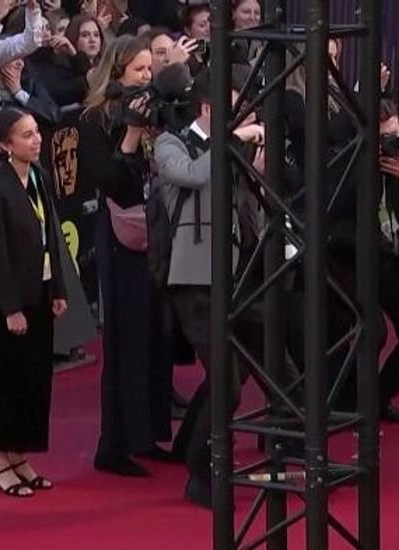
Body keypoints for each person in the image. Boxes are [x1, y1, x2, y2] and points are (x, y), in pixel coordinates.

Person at [154, 68, 267, 507]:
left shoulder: (231, 147)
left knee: (239, 370)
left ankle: (190, 445)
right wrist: (234, 140)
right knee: (227, 385)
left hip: (235, 274)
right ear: (207, 108)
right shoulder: (170, 143)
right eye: (232, 109)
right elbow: (195, 175)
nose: (241, 116)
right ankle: (201, 476)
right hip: (192, 280)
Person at [78, 35, 172, 477]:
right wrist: (132, 136)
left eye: (150, 70)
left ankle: (147, 432)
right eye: (138, 70)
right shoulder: (94, 119)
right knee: (125, 337)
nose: (146, 78)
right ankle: (113, 443)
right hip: (119, 235)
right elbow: (107, 181)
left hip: (154, 230)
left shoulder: (154, 111)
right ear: (116, 73)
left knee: (156, 336)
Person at [329, 100, 399, 423]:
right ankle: (350, 402)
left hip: (398, 263)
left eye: (396, 133)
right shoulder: (346, 162)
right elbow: (331, 214)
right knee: (370, 333)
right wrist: (365, 166)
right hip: (355, 264)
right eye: (385, 138)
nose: (393, 143)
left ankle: (378, 398)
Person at [0, 108, 68, 497]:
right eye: (26, 135)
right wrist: (11, 307)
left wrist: (59, 288)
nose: (37, 140)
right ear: (5, 144)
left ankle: (21, 454)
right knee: (8, 380)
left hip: (40, 291)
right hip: (7, 300)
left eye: (36, 132)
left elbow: (52, 237)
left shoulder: (39, 176)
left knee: (35, 379)